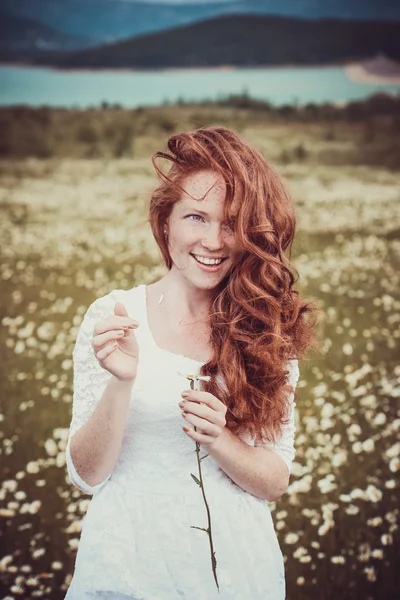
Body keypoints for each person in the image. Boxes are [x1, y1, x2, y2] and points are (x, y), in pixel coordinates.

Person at [64, 126, 319, 600]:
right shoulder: (115, 316)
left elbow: (274, 481)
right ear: (166, 223)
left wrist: (221, 439)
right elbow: (87, 474)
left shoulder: (266, 329)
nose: (214, 241)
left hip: (238, 577)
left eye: (232, 224)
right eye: (196, 218)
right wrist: (122, 383)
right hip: (128, 570)